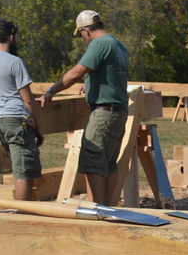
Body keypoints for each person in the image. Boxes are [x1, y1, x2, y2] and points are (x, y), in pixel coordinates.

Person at [38, 10, 129, 206]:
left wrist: (50, 91)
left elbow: (76, 72)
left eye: (80, 34)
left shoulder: (99, 44)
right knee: (109, 163)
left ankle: (95, 209)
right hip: (119, 112)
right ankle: (107, 207)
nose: (83, 38)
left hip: (104, 113)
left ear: (85, 30)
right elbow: (110, 74)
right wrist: (91, 82)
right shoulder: (117, 44)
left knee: (93, 162)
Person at [0, 19, 44, 201]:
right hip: (17, 121)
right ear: (11, 37)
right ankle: (22, 215)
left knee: (20, 169)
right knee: (25, 174)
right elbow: (27, 99)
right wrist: (39, 126)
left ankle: (23, 212)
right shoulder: (15, 62)